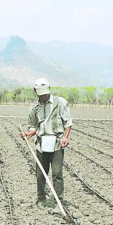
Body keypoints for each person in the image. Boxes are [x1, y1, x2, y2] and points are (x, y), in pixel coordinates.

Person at [19, 78, 72, 206]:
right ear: (35, 91)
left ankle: (58, 199)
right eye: (40, 94)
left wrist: (66, 137)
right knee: (40, 174)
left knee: (57, 173)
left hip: (57, 143)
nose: (43, 96)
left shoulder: (60, 103)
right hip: (41, 144)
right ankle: (41, 198)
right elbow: (33, 126)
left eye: (45, 93)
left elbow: (68, 123)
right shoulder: (34, 107)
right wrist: (28, 134)